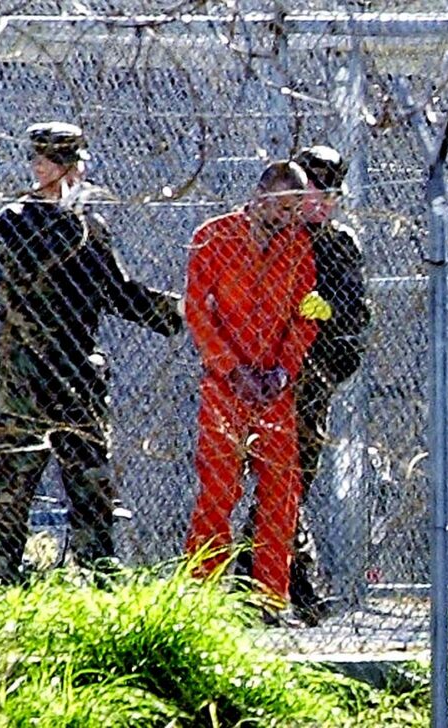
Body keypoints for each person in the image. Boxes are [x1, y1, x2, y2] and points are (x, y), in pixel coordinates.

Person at [0, 121, 182, 588]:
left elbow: (115, 290)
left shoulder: (90, 224)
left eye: (67, 164)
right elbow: (31, 273)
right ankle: (0, 578)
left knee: (90, 484)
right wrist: (69, 220)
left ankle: (99, 577)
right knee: (13, 484)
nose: (57, 172)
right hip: (25, 371)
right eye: (50, 163)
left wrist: (177, 313)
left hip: (76, 371)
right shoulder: (16, 219)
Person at [237, 146, 370, 624]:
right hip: (259, 376)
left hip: (310, 377)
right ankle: (278, 583)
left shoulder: (337, 243)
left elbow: (354, 311)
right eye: (315, 187)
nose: (324, 199)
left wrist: (324, 313)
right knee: (276, 481)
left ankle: (274, 581)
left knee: (291, 483)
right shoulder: (268, 236)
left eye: (329, 190)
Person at [184, 160, 324, 614]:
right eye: (283, 206)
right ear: (261, 194)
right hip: (228, 387)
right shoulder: (215, 236)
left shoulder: (298, 246)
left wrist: (284, 368)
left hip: (273, 388)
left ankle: (271, 599)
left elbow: (306, 314)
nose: (289, 217)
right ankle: (200, 600)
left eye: (296, 208)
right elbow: (197, 311)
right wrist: (230, 368)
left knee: (281, 493)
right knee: (218, 492)